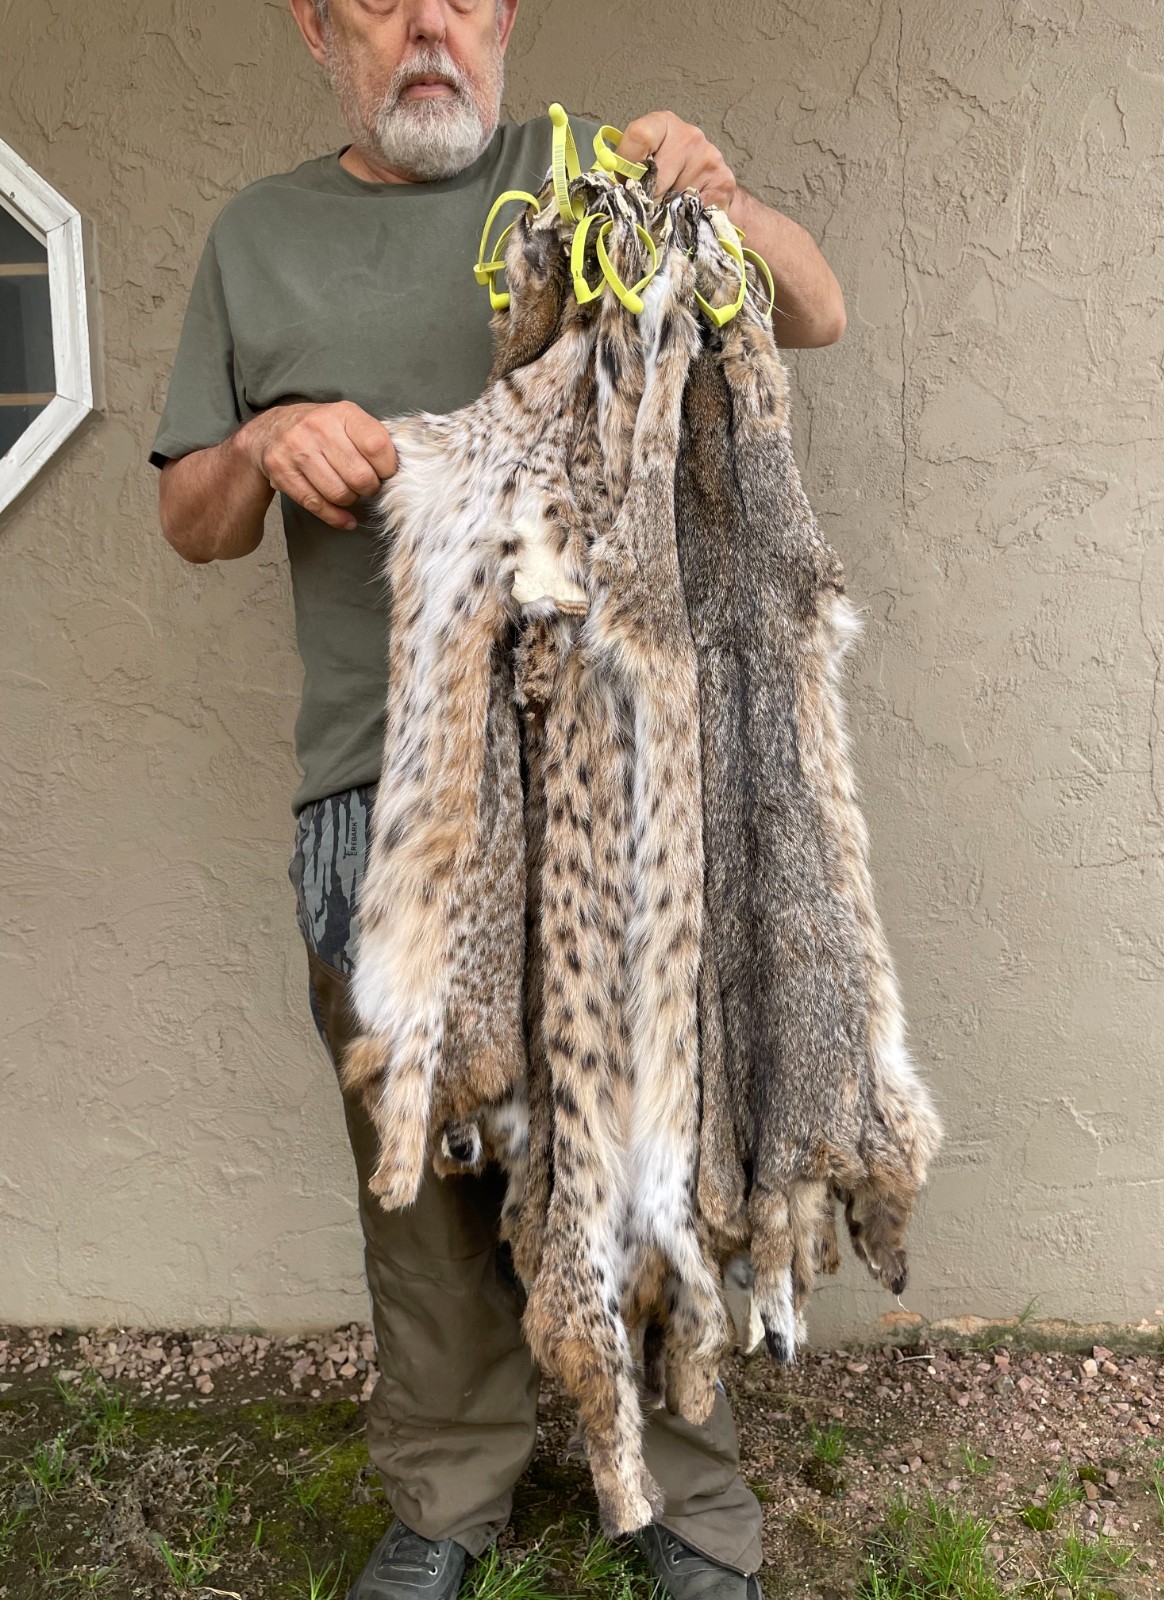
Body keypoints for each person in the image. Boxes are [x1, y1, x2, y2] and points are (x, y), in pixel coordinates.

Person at [152, 3, 846, 1596]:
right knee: (424, 1176)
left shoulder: (588, 175)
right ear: (318, 29)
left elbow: (814, 309)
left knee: (641, 1141)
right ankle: (446, 1501)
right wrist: (265, 442)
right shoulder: (255, 241)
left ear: (506, 18)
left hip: (603, 778)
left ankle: (687, 1510)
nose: (430, 30)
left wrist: (722, 200)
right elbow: (193, 518)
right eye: (385, 1)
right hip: (380, 792)